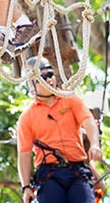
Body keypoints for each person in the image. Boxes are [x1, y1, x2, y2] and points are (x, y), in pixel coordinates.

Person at [17, 57, 103, 203]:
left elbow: (89, 122)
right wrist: (26, 187)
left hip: (77, 171)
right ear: (32, 86)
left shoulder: (70, 100)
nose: (49, 79)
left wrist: (95, 144)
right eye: (42, 78)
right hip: (49, 175)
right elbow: (24, 154)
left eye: (50, 74)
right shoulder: (27, 117)